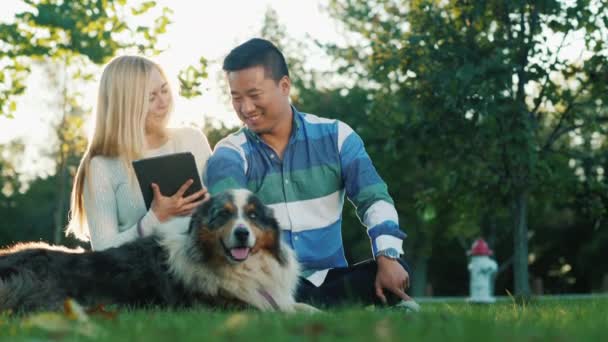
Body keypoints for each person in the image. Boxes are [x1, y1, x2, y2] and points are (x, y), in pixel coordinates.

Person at [203, 38, 413, 308]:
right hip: (265, 283)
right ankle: (332, 306)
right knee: (245, 293)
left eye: (254, 95)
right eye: (236, 97)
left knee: (395, 269)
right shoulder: (230, 153)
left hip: (330, 277)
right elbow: (227, 213)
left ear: (285, 86)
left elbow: (374, 199)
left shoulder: (337, 136)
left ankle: (306, 308)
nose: (245, 108)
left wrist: (387, 257)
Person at [66, 55, 211, 251]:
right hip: (140, 276)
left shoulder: (191, 139)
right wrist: (155, 218)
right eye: (151, 97)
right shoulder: (101, 166)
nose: (163, 102)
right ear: (125, 105)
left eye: (165, 90)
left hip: (198, 273)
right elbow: (102, 251)